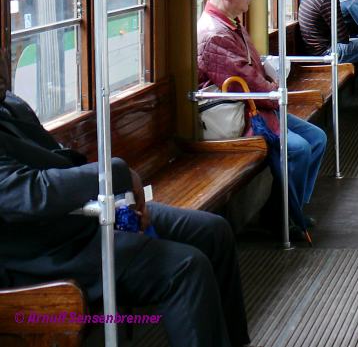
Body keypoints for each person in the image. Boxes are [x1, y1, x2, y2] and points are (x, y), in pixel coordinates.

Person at [0, 82, 251, 347]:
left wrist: (117, 200)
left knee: (212, 231)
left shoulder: (12, 104)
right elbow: (31, 193)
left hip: (84, 217)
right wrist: (116, 173)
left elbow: (60, 159)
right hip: (47, 254)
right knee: (186, 267)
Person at [197, 0, 328, 232]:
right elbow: (245, 84)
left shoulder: (230, 24)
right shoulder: (214, 35)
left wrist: (271, 87)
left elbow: (250, 71)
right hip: (245, 115)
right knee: (299, 148)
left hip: (257, 108)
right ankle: (281, 219)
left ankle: (290, 208)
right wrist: (274, 90)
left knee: (316, 139)